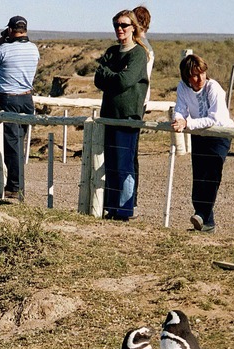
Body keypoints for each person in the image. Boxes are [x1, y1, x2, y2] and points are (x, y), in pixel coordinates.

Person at [94, 10, 149, 221]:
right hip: (109, 114)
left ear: (133, 27)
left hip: (128, 117)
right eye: (116, 24)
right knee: (111, 164)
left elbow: (124, 81)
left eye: (124, 25)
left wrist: (111, 76)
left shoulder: (138, 54)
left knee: (124, 165)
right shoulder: (111, 51)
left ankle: (125, 210)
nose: (120, 28)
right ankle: (111, 207)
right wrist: (113, 76)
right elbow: (99, 78)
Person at [171, 54, 234, 233]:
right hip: (199, 134)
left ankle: (201, 214)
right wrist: (178, 119)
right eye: (195, 75)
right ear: (187, 77)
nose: (200, 79)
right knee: (199, 176)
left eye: (202, 74)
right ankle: (206, 222)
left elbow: (214, 119)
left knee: (212, 175)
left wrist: (187, 123)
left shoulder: (214, 88)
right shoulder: (183, 87)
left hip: (219, 134)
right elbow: (180, 109)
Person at [0, 15, 40, 199]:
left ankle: (14, 187)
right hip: (26, 99)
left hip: (8, 99)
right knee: (19, 143)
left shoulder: (4, 49)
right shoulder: (33, 49)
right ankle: (17, 184)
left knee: (11, 145)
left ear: (10, 30)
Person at [132, 5, 154, 210]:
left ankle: (131, 199)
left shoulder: (140, 48)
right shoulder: (147, 47)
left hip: (135, 103)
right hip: (141, 102)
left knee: (129, 152)